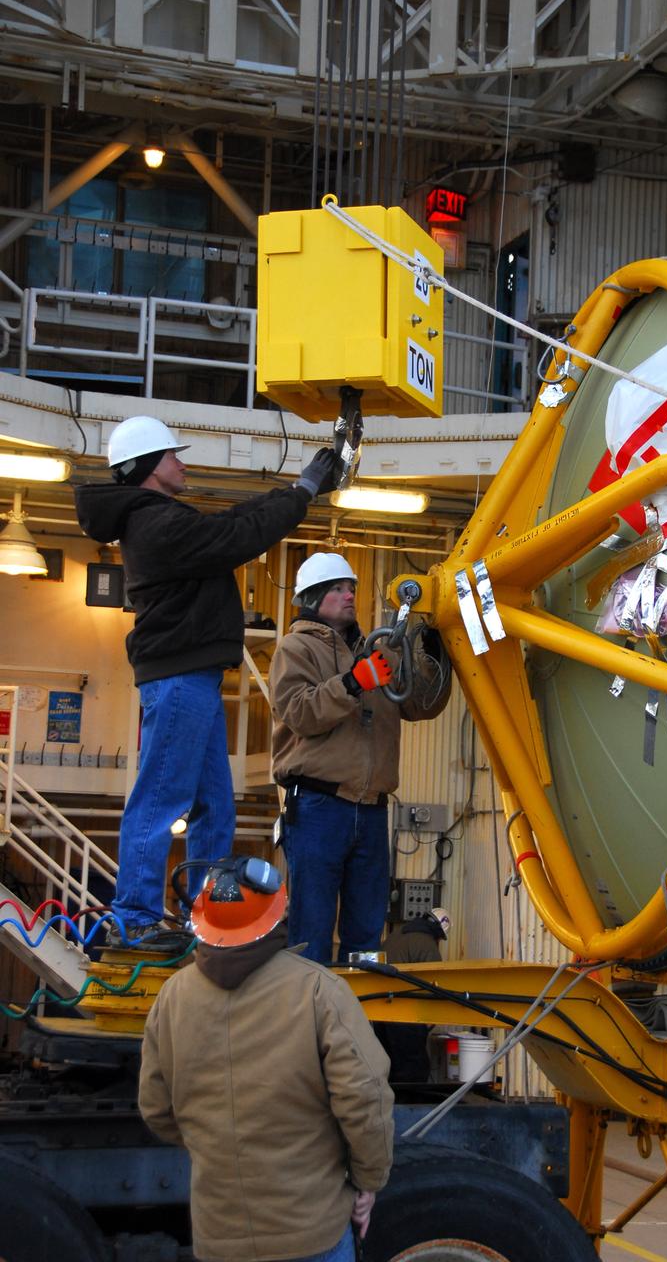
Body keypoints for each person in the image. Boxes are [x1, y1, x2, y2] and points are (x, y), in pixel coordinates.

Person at [74, 415, 338, 949]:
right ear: (150, 466)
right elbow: (233, 536)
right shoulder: (156, 524)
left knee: (216, 807)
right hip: (179, 680)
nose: (183, 462)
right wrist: (304, 489)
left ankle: (208, 916)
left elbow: (232, 524)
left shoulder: (160, 519)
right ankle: (135, 917)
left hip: (191, 679)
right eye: (174, 455)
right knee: (160, 801)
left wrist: (296, 492)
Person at [138, 855, 394, 1262]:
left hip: (218, 1237)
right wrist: (368, 1182)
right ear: (277, 914)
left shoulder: (171, 998)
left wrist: (217, 1142)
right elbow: (365, 1100)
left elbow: (156, 1110)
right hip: (312, 1233)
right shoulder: (319, 991)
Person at [269, 552, 451, 965]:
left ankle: (357, 1019)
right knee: (311, 927)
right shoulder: (296, 649)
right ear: (314, 598)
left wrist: (437, 654)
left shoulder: (379, 651)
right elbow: (299, 712)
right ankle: (309, 1021)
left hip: (370, 811)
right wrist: (352, 683)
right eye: (337, 588)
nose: (349, 594)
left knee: (367, 933)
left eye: (350, 587)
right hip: (318, 805)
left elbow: (421, 705)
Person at [375, 907, 451, 1083]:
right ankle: (413, 1107)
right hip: (404, 1012)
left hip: (379, 1009)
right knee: (413, 1068)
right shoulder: (426, 944)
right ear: (439, 932)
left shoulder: (396, 934)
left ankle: (393, 1107)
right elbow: (435, 982)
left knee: (389, 1066)